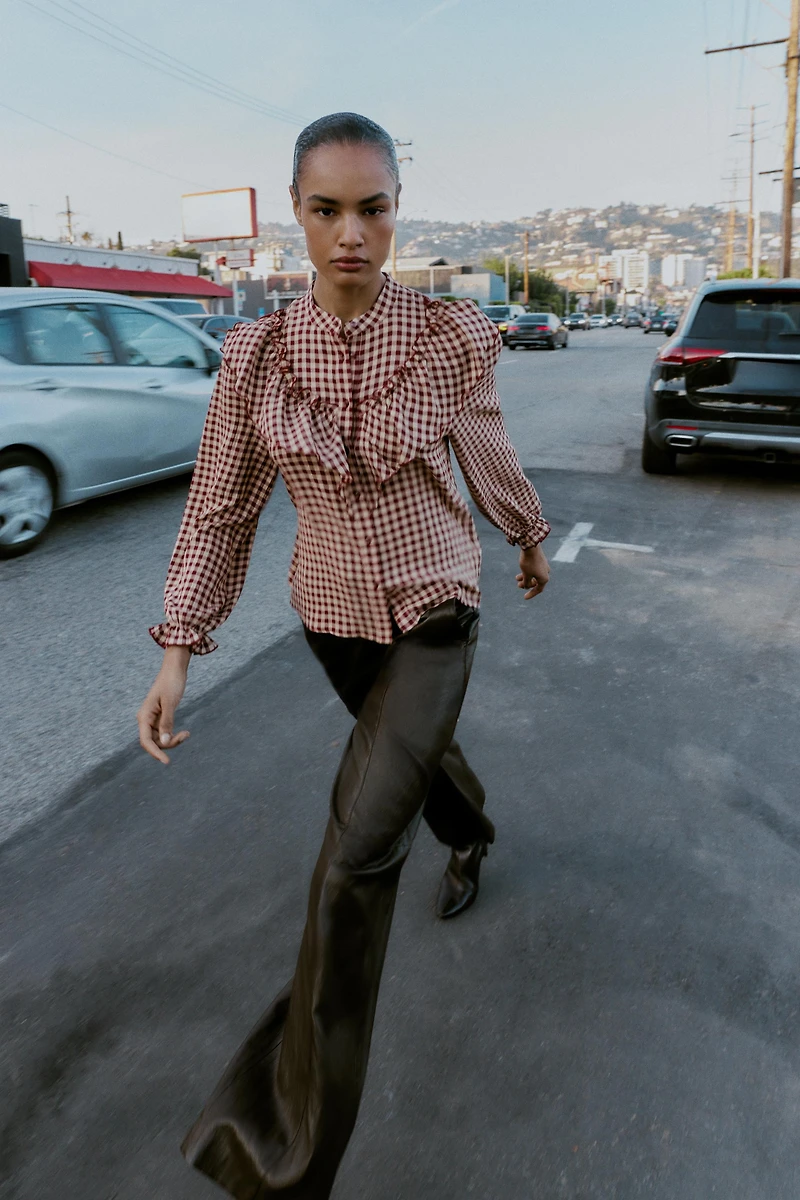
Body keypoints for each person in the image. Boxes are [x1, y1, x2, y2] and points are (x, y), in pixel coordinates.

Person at [137, 112, 551, 1200]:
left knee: (352, 863)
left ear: (396, 213)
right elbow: (220, 510)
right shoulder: (258, 357)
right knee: (411, 771)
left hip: (433, 608)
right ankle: (471, 832)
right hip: (328, 614)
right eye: (326, 209)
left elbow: (484, 444)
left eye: (372, 207)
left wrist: (524, 530)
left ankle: (281, 1156)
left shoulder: (449, 334)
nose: (351, 233)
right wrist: (179, 647)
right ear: (296, 217)